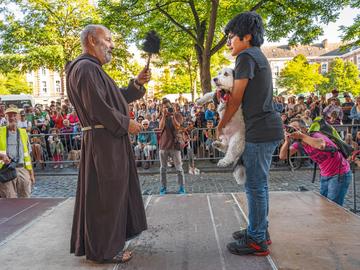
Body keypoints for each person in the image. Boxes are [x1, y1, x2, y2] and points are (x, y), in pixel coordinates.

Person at [66, 24, 150, 264]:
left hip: (105, 140)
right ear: (92, 40)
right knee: (107, 196)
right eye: (108, 39)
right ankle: (105, 250)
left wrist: (136, 83)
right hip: (105, 142)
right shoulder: (85, 68)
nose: (112, 44)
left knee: (109, 194)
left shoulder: (91, 69)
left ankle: (108, 244)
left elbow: (115, 98)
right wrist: (126, 124)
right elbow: (98, 108)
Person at [220, 12, 283, 256]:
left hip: (261, 130)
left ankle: (256, 240)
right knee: (259, 185)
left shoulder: (246, 56)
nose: (229, 42)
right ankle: (259, 230)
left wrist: (222, 124)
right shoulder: (257, 55)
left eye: (232, 36)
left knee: (255, 186)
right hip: (267, 127)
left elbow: (236, 99)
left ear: (247, 36)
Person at [279, 118, 351, 206]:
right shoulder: (299, 143)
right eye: (290, 128)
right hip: (325, 175)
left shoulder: (316, 135)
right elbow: (282, 156)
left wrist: (301, 136)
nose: (292, 130)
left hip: (340, 174)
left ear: (304, 129)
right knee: (324, 205)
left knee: (333, 207)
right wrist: (287, 141)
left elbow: (320, 145)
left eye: (295, 127)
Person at [0, 106, 35, 198]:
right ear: (5, 117)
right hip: (5, 170)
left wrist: (31, 174)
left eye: (14, 115)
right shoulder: (1, 131)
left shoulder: (23, 133)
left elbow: (27, 155)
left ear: (19, 117)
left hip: (22, 169)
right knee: (8, 199)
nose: (12, 118)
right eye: (9, 115)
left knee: (25, 198)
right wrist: (1, 156)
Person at [158, 99, 186, 195]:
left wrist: (173, 115)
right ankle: (163, 187)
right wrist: (163, 116)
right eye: (165, 107)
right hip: (163, 145)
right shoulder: (162, 116)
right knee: (163, 169)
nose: (167, 109)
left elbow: (177, 126)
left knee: (179, 168)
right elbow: (160, 127)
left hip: (175, 145)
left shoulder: (177, 115)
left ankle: (182, 187)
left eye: (168, 106)